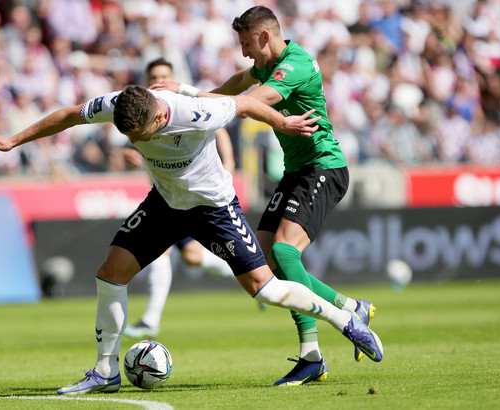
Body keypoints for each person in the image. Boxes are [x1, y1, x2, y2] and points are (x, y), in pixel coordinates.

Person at [0, 84, 383, 395]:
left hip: (213, 208)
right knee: (110, 272)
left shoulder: (199, 112)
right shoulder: (121, 104)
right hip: (166, 203)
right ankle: (105, 371)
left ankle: (345, 319)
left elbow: (243, 104)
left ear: (157, 120)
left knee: (264, 288)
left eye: (138, 135)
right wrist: (14, 140)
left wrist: (282, 122)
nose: (134, 143)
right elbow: (68, 114)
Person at [151, 5, 377, 386]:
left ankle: (312, 356)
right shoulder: (266, 64)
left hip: (323, 167)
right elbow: (235, 85)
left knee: (286, 252)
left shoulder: (295, 65)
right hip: (297, 172)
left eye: (246, 44)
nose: (244, 52)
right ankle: (351, 308)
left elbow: (247, 104)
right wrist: (190, 100)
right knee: (265, 261)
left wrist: (185, 93)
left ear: (265, 36)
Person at [123, 58, 235, 340]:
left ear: (172, 78)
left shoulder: (186, 104)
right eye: (154, 76)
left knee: (176, 254)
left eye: (164, 75)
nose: (159, 80)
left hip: (195, 197)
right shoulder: (143, 113)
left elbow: (219, 128)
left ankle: (150, 320)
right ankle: (249, 275)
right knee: (193, 258)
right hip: (169, 196)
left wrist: (228, 166)